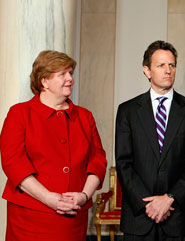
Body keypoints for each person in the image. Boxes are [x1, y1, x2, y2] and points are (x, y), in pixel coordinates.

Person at [0, 50, 107, 240]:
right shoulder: (19, 113)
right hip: (30, 217)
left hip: (73, 217)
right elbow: (13, 163)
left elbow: (98, 161)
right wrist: (48, 198)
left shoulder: (85, 116)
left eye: (71, 73)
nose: (70, 79)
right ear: (44, 81)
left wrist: (84, 195)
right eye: (62, 74)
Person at [115, 40, 185, 241]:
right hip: (139, 217)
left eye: (172, 65)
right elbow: (124, 163)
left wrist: (169, 199)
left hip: (178, 217)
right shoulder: (127, 111)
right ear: (147, 71)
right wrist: (149, 204)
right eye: (161, 65)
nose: (168, 70)